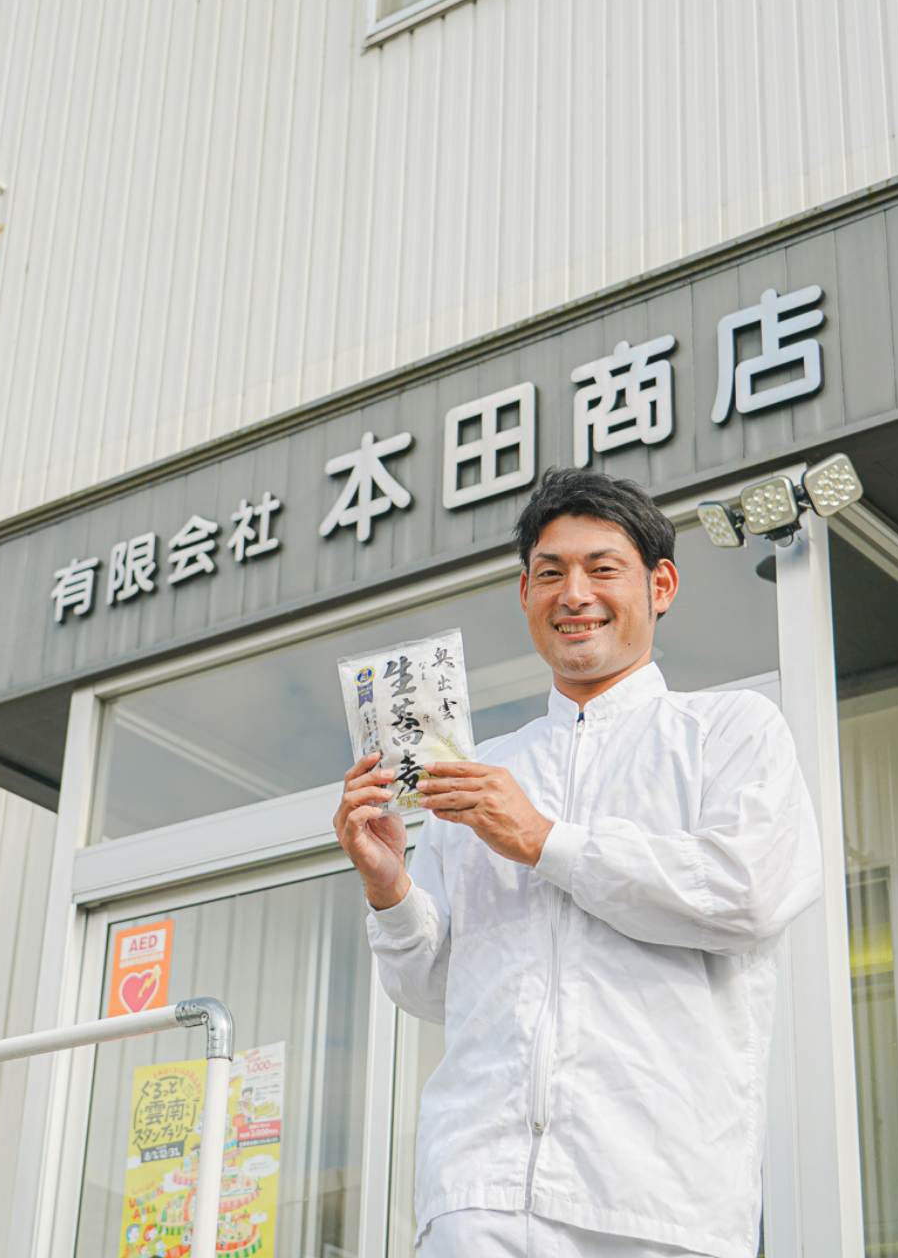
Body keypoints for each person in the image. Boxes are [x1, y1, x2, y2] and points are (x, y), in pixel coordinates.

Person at [333, 468, 822, 1258]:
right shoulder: (478, 771)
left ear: (660, 585)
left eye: (603, 568)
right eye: (551, 573)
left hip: (657, 1201)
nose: (575, 593)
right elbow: (436, 991)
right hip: (475, 1194)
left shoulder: (730, 731)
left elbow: (749, 895)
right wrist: (389, 889)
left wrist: (545, 842)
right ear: (524, 593)